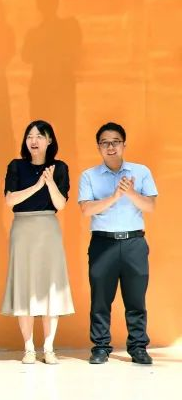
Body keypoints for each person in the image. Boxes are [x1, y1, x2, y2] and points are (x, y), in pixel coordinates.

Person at [78, 122, 157, 365]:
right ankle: (100, 347)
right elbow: (86, 209)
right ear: (98, 147)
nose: (110, 147)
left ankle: (138, 347)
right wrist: (114, 196)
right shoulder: (89, 175)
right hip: (103, 244)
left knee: (136, 300)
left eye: (115, 142)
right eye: (105, 143)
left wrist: (130, 193)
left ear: (124, 144)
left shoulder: (141, 172)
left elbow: (150, 206)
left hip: (134, 243)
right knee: (100, 300)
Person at [0, 120, 74, 365]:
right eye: (30, 136)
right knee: (25, 285)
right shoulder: (16, 166)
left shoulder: (59, 167)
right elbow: (10, 200)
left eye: (40, 136)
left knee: (50, 285)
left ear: (49, 140)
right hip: (22, 228)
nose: (34, 140)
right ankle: (29, 348)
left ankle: (49, 347)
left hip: (48, 228)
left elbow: (60, 204)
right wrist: (38, 185)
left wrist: (50, 182)